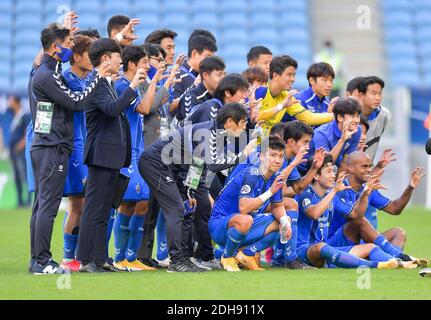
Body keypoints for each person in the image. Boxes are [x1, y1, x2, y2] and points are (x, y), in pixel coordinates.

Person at [29, 26, 107, 275]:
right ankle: (42, 261)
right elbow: (77, 102)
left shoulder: (43, 71)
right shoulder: (47, 76)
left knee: (41, 205)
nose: (71, 47)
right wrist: (97, 76)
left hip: (46, 145)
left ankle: (37, 260)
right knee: (48, 206)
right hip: (52, 146)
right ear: (55, 48)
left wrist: (63, 28)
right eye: (68, 43)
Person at [138, 103, 253, 272]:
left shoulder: (217, 134)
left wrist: (189, 191)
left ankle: (185, 258)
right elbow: (213, 165)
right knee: (177, 209)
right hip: (155, 164)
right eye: (243, 122)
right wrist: (242, 155)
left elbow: (199, 166)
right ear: (229, 121)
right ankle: (176, 262)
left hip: (172, 169)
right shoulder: (208, 133)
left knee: (188, 208)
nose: (245, 127)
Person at [76, 38, 146, 273]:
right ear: (106, 58)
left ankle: (100, 258)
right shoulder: (95, 83)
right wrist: (133, 85)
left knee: (105, 209)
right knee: (94, 208)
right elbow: (112, 110)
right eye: (118, 57)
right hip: (101, 155)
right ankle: (86, 260)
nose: (121, 61)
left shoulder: (105, 83)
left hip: (111, 156)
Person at [112, 45, 171, 272]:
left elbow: (145, 107)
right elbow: (146, 110)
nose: (148, 66)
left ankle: (129, 257)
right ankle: (119, 257)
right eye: (145, 62)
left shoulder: (133, 87)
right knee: (129, 203)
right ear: (132, 64)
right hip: (126, 152)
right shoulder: (122, 86)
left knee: (139, 203)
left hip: (138, 151)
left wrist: (155, 81)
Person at [297, 154, 402, 269]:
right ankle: (375, 265)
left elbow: (357, 215)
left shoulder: (331, 196)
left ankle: (400, 262)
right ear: (316, 176)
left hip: (326, 251)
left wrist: (366, 193)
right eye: (328, 172)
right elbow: (314, 213)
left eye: (333, 171)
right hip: (304, 252)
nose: (333, 176)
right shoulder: (306, 194)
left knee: (371, 247)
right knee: (320, 247)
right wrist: (334, 191)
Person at [327, 151, 427, 266]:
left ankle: (392, 260)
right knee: (359, 220)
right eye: (364, 166)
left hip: (359, 242)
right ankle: (398, 257)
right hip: (334, 244)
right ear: (351, 168)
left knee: (398, 233)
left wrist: (410, 187)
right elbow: (355, 216)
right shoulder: (338, 189)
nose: (369, 170)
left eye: (370, 166)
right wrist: (365, 193)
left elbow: (395, 209)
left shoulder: (368, 189)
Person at [209, 136, 292, 272]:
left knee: (282, 221)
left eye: (281, 156)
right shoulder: (252, 174)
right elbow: (244, 208)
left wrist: (285, 221)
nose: (277, 160)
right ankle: (227, 257)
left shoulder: (275, 177)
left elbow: (277, 206)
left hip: (244, 224)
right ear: (261, 156)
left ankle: (246, 254)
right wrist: (270, 192)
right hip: (220, 225)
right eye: (273, 155)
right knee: (246, 219)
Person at [60, 34, 94, 272]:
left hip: (84, 144)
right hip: (73, 146)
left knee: (82, 202)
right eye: (90, 55)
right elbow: (81, 103)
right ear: (77, 56)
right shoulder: (68, 78)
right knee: (76, 203)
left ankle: (78, 255)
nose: (93, 60)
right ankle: (67, 257)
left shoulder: (83, 78)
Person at [255, 55, 334, 135]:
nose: (293, 79)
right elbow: (254, 118)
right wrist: (281, 106)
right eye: (289, 75)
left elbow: (308, 118)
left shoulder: (287, 97)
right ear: (275, 75)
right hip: (247, 139)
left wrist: (336, 116)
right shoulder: (260, 91)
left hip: (264, 140)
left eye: (294, 75)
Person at [302, 98, 362, 174]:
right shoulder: (321, 133)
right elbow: (324, 165)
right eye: (352, 116)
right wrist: (342, 140)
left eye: (358, 116)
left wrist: (337, 185)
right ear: (340, 118)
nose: (357, 120)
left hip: (331, 171)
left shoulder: (357, 130)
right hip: (306, 171)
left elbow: (345, 163)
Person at [174, 56, 226, 128]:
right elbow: (189, 131)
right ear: (205, 75)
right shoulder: (191, 97)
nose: (223, 79)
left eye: (224, 74)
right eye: (219, 75)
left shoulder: (222, 96)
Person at [357, 76, 390, 161]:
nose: (378, 98)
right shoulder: (350, 115)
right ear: (361, 95)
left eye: (380, 93)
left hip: (367, 169)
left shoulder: (384, 115)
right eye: (373, 93)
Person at [173, 35, 217, 100]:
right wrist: (194, 87)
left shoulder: (203, 76)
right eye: (208, 56)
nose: (211, 61)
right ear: (194, 54)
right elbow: (172, 107)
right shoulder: (178, 76)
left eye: (213, 58)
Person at [7, 95, 32, 208]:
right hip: (14, 152)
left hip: (21, 151)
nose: (9, 102)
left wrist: (21, 145)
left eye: (11, 100)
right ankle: (19, 201)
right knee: (16, 176)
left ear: (16, 102)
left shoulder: (24, 116)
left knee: (25, 176)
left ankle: (27, 201)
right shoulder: (14, 116)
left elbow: (27, 133)